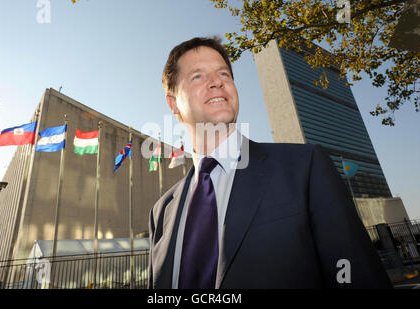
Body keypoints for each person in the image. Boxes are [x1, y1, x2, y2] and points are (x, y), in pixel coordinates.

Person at [148, 36, 393, 289]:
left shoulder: (305, 167)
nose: (217, 82)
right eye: (198, 76)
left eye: (224, 74)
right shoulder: (161, 212)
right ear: (173, 102)